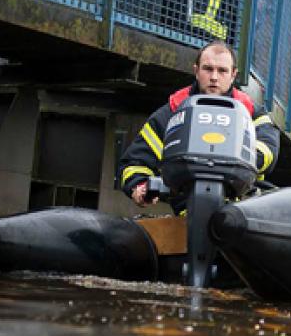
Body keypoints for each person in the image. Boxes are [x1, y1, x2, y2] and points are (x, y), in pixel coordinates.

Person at [117, 40, 280, 213]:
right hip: (189, 210)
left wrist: (244, 156)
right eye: (208, 69)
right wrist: (139, 185)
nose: (214, 77)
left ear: (233, 75)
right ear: (196, 71)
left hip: (244, 205)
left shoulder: (250, 112)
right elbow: (135, 162)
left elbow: (269, 148)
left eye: (222, 71)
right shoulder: (175, 111)